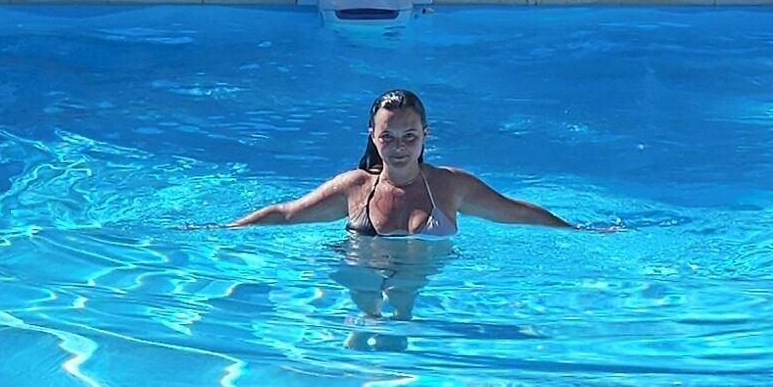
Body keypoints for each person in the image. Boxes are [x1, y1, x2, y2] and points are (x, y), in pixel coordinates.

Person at [230, 88, 575, 236]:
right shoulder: (354, 187)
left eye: (409, 136)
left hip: (421, 289)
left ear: (425, 135)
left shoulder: (451, 186)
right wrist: (223, 232)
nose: (399, 148)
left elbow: (517, 211)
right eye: (388, 138)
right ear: (372, 136)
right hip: (360, 280)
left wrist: (579, 233)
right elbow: (288, 213)